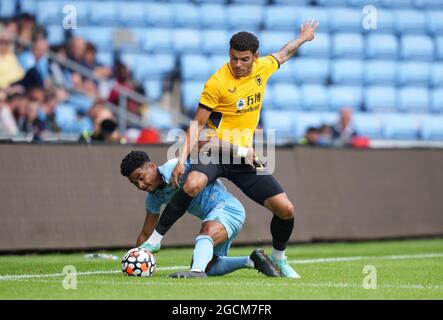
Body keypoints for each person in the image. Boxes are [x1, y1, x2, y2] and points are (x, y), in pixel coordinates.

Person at [141, 21, 319, 278]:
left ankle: (279, 258)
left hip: (242, 156)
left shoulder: (262, 68)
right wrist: (181, 159)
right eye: (233, 58)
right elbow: (197, 124)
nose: (237, 64)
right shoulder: (217, 83)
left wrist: (303, 37)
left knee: (286, 209)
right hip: (214, 151)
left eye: (243, 59)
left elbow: (283, 53)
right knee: (192, 183)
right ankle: (155, 240)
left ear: (255, 57)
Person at [120, 150, 281, 279]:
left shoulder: (176, 167)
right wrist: (136, 258)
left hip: (228, 208)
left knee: (206, 234)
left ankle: (196, 272)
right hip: (214, 216)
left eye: (141, 178)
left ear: (152, 167)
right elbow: (147, 234)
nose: (140, 185)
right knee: (210, 266)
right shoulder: (153, 198)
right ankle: (252, 261)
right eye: (134, 183)